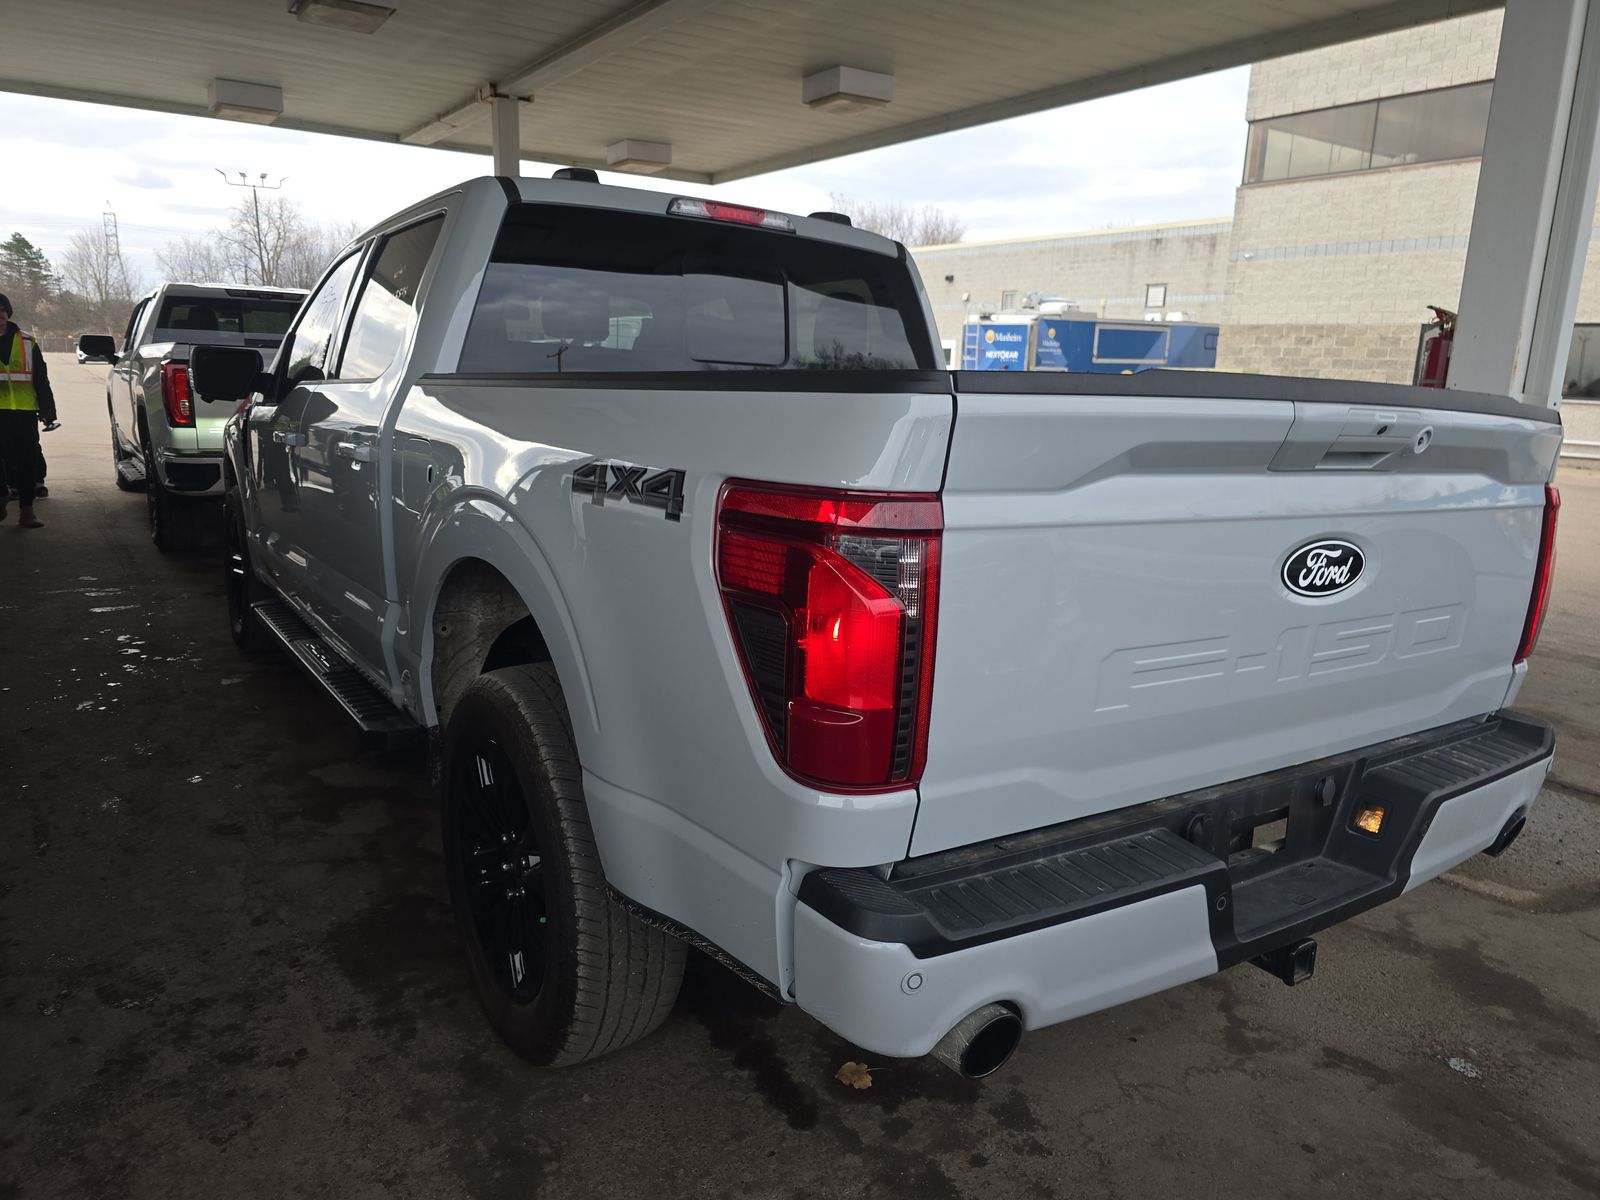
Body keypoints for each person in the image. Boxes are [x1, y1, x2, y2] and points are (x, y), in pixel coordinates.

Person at [0, 292, 58, 528]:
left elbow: (41, 379)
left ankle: (27, 510)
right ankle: (3, 493)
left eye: (1, 315)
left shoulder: (27, 342)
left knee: (27, 460)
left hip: (24, 412)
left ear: (7, 316)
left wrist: (48, 410)